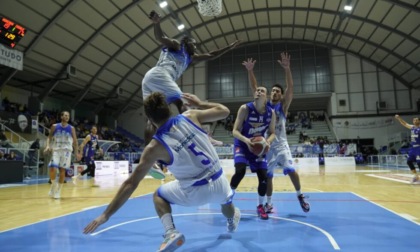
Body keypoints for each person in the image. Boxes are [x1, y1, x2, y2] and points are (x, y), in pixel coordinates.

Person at [83, 92, 241, 252]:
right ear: (169, 110)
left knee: (158, 195)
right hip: (220, 180)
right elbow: (224, 111)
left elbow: (130, 184)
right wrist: (200, 103)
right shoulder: (191, 115)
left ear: (150, 119)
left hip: (194, 191)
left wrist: (106, 214)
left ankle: (171, 232)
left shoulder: (153, 147)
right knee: (226, 201)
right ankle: (231, 220)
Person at [243, 52, 310, 214]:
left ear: (281, 96)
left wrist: (287, 69)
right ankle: (269, 203)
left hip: (281, 144)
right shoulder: (264, 106)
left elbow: (291, 88)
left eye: (277, 91)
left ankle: (300, 196)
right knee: (268, 177)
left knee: (290, 169)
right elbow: (255, 88)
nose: (274, 92)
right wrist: (250, 71)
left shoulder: (283, 107)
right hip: (266, 146)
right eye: (272, 91)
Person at [229, 85, 276, 220]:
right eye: (257, 90)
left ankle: (260, 206)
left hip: (258, 147)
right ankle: (228, 198)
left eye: (262, 91)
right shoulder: (245, 108)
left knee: (264, 178)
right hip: (243, 144)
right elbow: (235, 131)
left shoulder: (270, 113)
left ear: (266, 97)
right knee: (240, 171)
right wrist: (247, 141)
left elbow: (273, 133)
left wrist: (267, 142)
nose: (258, 92)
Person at [44, 111, 81, 199]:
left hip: (67, 151)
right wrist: (48, 146)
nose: (67, 117)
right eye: (65, 115)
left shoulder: (71, 128)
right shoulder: (54, 126)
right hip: (56, 150)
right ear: (61, 117)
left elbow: (75, 142)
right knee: (52, 168)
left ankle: (58, 191)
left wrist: (76, 153)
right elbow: (49, 137)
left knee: (62, 170)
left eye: (68, 115)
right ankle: (53, 185)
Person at [395, 114, 420, 183]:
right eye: (414, 120)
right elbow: (404, 123)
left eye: (416, 120)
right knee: (409, 162)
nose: (415, 121)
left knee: (419, 163)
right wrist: (399, 118)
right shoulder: (412, 127)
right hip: (413, 148)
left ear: (419, 121)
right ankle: (416, 176)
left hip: (419, 147)